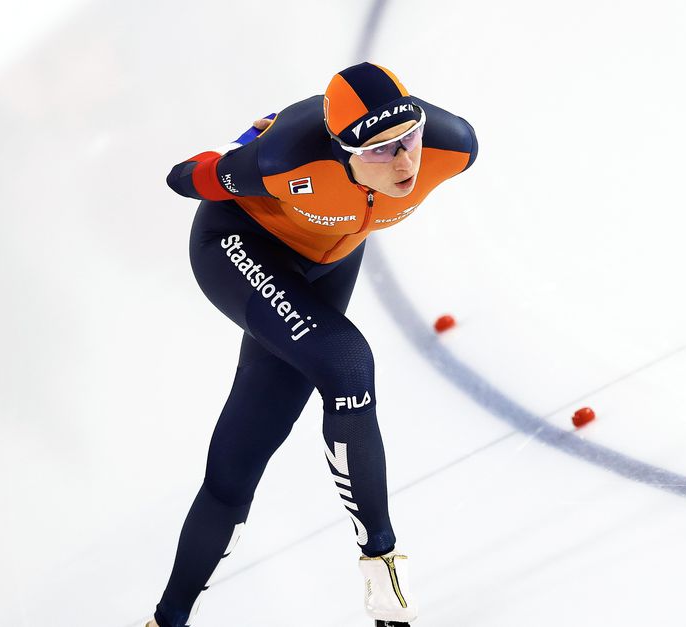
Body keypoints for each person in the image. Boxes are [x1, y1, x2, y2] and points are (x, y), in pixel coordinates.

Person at [148, 61, 478, 627]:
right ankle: (382, 561)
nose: (403, 163)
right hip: (239, 247)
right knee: (349, 363)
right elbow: (185, 177)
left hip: (331, 262)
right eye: (378, 150)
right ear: (340, 152)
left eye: (409, 139)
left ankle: (167, 618)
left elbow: (411, 149)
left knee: (242, 453)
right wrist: (242, 144)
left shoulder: (454, 146)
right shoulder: (285, 160)